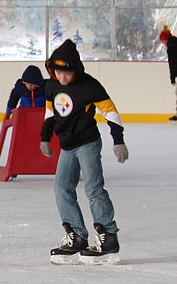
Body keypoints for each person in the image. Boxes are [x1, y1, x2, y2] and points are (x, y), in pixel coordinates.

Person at [40, 39, 129, 265]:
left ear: (76, 71)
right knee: (62, 188)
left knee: (94, 189)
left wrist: (118, 140)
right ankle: (77, 235)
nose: (63, 78)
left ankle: (108, 237)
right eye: (59, 72)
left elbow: (110, 112)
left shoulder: (90, 85)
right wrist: (44, 137)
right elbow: (51, 113)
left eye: (67, 73)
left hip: (88, 143)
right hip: (67, 146)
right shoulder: (51, 86)